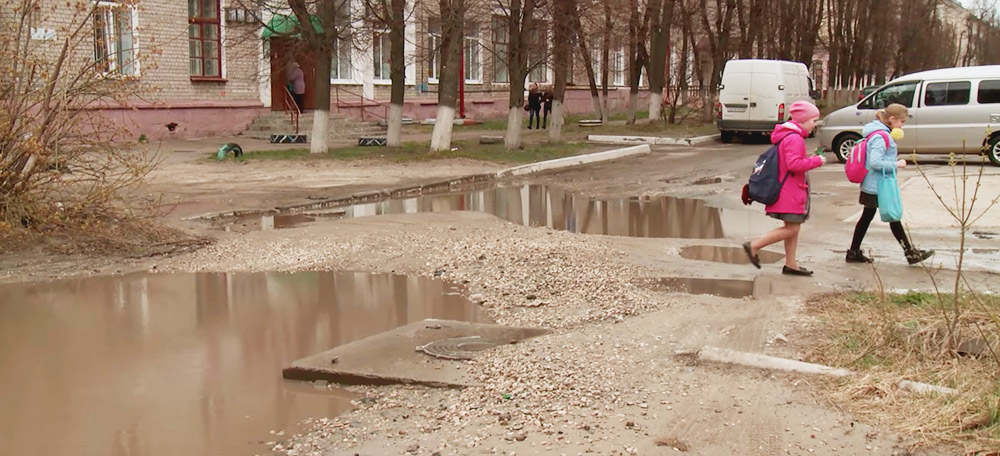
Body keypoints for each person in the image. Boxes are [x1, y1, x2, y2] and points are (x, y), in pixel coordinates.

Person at [743, 101, 826, 276]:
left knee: (792, 228)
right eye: (813, 121)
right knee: (792, 229)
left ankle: (791, 264)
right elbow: (794, 164)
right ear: (802, 121)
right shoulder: (794, 138)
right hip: (789, 191)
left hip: (787, 190)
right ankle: (754, 246)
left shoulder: (788, 136)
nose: (815, 125)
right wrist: (817, 161)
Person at [845, 103, 934, 265]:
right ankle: (909, 253)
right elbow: (875, 162)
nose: (902, 125)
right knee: (892, 216)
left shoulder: (878, 132)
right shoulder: (881, 137)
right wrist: (896, 164)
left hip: (872, 184)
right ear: (892, 119)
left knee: (869, 217)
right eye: (902, 122)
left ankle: (854, 252)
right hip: (878, 185)